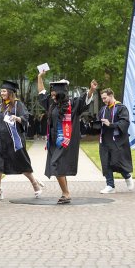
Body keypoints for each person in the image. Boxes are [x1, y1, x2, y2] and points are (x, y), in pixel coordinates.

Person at [37, 71, 97, 204]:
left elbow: (84, 100)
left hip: (66, 139)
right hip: (53, 140)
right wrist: (39, 77)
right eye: (51, 93)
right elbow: (41, 93)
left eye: (54, 93)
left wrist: (91, 90)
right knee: (59, 166)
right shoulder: (51, 104)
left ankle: (66, 193)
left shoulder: (73, 104)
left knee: (56, 164)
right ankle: (66, 193)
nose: (52, 94)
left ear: (61, 93)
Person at [0, 80, 44, 200]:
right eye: (1, 91)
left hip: (15, 142)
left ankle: (35, 185)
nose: (2, 93)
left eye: (4, 91)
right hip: (0, 142)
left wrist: (18, 118)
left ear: (10, 92)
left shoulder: (17, 105)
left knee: (23, 165)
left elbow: (26, 118)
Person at [98, 88, 134, 194]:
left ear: (111, 95)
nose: (103, 100)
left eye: (105, 98)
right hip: (105, 139)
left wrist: (111, 124)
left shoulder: (121, 108)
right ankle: (110, 185)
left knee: (117, 161)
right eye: (102, 98)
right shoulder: (103, 109)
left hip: (117, 140)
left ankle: (127, 176)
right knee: (106, 162)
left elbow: (125, 122)